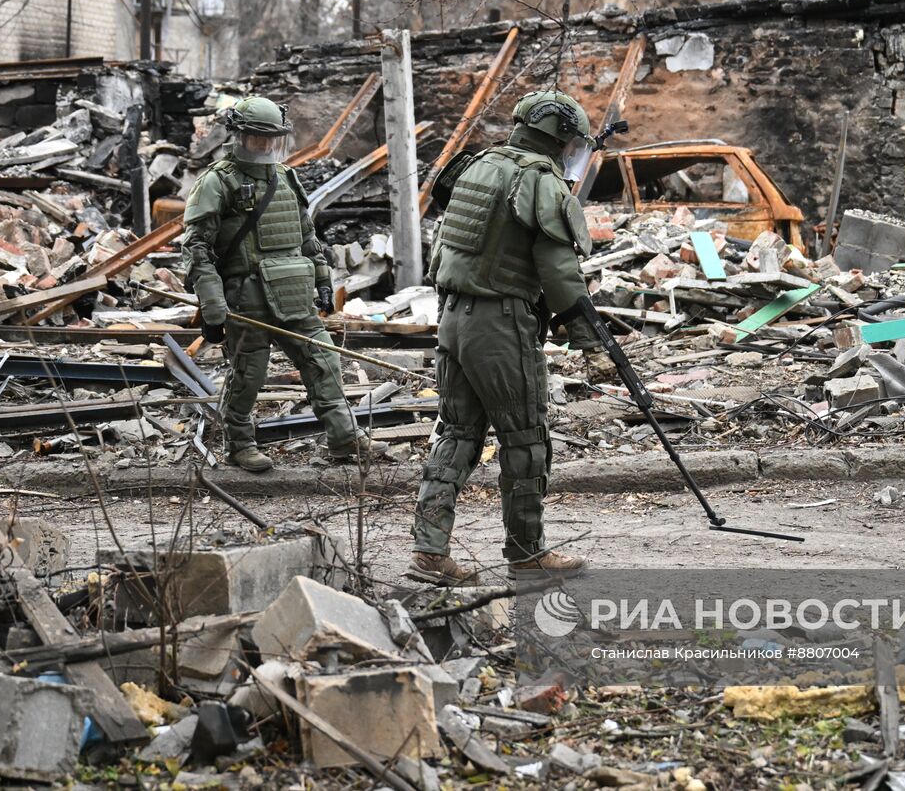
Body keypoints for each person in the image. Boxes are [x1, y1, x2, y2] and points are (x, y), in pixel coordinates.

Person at [409, 89, 615, 585]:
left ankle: (429, 553)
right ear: (558, 137)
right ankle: (526, 552)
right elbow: (560, 273)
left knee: (456, 434)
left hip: (454, 317)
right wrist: (593, 342)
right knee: (525, 438)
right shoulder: (539, 180)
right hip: (500, 324)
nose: (572, 155)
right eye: (572, 145)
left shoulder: (476, 166)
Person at [181, 96, 382, 472]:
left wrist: (324, 280)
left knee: (323, 361)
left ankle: (344, 438)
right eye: (257, 138)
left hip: (295, 294)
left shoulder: (285, 177)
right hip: (246, 298)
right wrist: (212, 304)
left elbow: (307, 237)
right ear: (238, 136)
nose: (265, 146)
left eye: (271, 139)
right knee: (248, 375)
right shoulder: (215, 182)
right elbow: (195, 248)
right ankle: (239, 444)